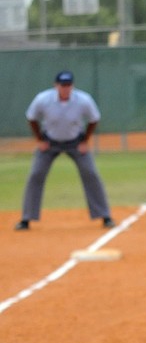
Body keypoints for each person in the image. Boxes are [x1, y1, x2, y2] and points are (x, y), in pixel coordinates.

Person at [14, 70, 115, 231]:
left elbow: (94, 119)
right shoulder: (43, 99)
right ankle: (26, 218)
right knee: (35, 174)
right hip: (50, 142)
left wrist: (85, 141)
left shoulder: (83, 100)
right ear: (56, 86)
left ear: (72, 86)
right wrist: (39, 139)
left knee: (90, 173)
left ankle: (105, 216)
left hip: (75, 142)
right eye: (62, 85)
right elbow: (31, 117)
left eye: (68, 85)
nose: (65, 88)